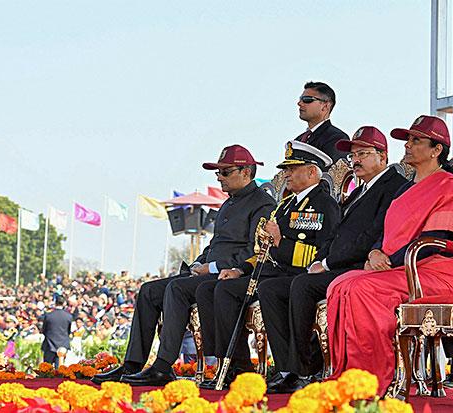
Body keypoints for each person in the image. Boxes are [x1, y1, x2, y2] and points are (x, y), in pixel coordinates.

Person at [93, 144, 276, 386]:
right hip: (208, 271)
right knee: (149, 290)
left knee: (177, 289)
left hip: (231, 276)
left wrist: (211, 268)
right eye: (217, 173)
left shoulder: (262, 203)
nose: (219, 178)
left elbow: (253, 251)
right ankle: (132, 364)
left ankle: (163, 365)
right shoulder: (228, 204)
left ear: (246, 172)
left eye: (225, 172)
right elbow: (215, 244)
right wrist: (200, 262)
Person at [326, 115, 453, 394]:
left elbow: (438, 241)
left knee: (362, 289)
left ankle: (373, 380)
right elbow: (386, 235)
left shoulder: (449, 186)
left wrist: (390, 262)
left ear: (436, 150)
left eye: (416, 140)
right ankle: (347, 375)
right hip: (404, 267)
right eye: (407, 140)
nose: (408, 146)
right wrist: (375, 253)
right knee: (341, 284)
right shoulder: (405, 188)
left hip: (439, 271)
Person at [259, 127, 407, 393]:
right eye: (353, 155)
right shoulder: (359, 191)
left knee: (302, 285)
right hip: (338, 263)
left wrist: (326, 264)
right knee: (270, 288)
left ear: (383, 157)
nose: (356, 160)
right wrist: (323, 259)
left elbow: (370, 235)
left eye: (363, 153)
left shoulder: (393, 186)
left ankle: (306, 368)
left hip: (363, 266)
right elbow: (336, 235)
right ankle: (287, 367)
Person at [196, 141, 341, 389]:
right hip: (268, 271)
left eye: (293, 169)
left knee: (269, 290)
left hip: (296, 274)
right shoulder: (285, 206)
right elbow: (260, 249)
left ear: (312, 172)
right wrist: (241, 269)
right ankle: (235, 366)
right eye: (286, 169)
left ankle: (290, 369)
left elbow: (322, 251)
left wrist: (280, 242)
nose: (286, 174)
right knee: (216, 288)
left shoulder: (324, 204)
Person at [295, 81, 349, 163]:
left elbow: (334, 174)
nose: (299, 103)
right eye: (300, 99)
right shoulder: (298, 140)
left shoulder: (337, 138)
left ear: (325, 106)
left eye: (307, 100)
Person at [41, 295, 73, 367]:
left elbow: (44, 330)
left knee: (46, 370)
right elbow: (68, 331)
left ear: (55, 303)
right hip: (62, 344)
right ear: (64, 303)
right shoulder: (68, 316)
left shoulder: (48, 315)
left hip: (49, 344)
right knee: (59, 370)